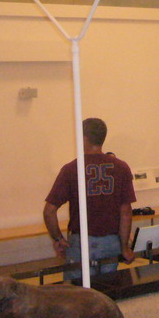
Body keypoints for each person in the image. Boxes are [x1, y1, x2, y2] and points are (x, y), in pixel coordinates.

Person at [43, 118, 136, 281]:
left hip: (81, 243)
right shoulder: (121, 167)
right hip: (111, 242)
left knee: (78, 297)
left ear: (84, 138)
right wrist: (124, 247)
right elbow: (126, 212)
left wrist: (58, 239)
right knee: (108, 291)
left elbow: (49, 211)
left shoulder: (71, 169)